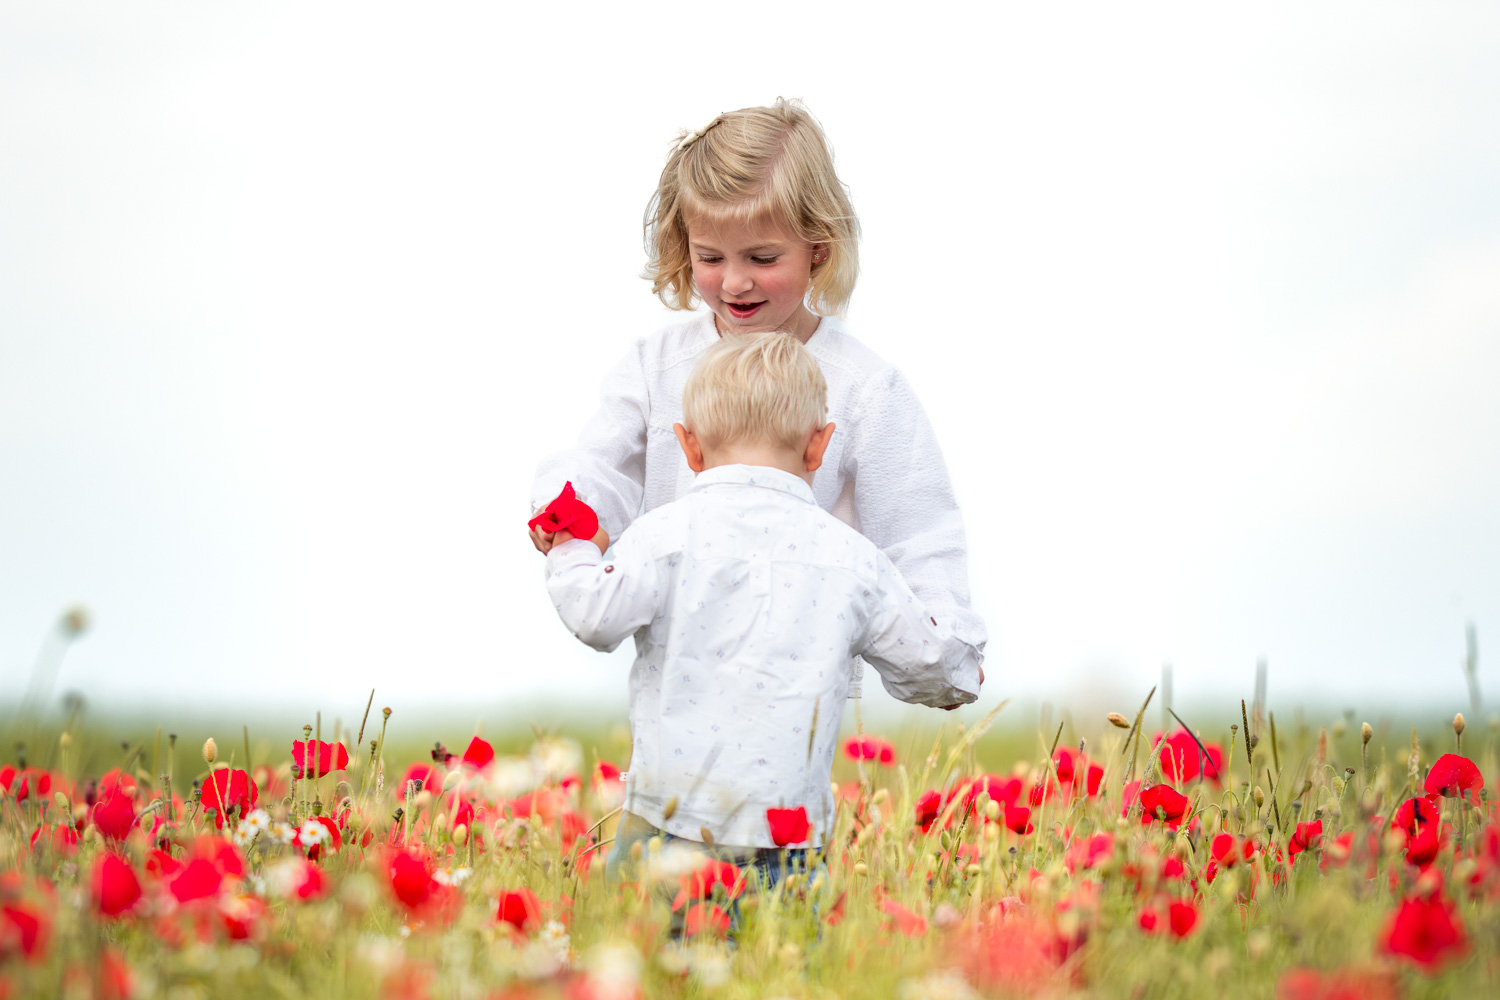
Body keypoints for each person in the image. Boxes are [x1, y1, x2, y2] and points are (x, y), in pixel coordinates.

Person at [529, 99, 986, 680]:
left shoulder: (865, 388)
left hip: (804, 682)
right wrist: (569, 513)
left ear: (817, 248)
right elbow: (603, 465)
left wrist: (942, 654)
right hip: (678, 671)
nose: (736, 281)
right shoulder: (658, 367)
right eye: (710, 257)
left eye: (763, 257)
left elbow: (919, 532)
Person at [537, 333, 982, 900]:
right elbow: (927, 657)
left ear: (689, 448)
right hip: (788, 843)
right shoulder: (852, 558)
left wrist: (570, 545)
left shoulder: (663, 536)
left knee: (649, 975)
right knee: (782, 976)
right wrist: (959, 667)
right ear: (819, 447)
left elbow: (593, 615)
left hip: (664, 829)